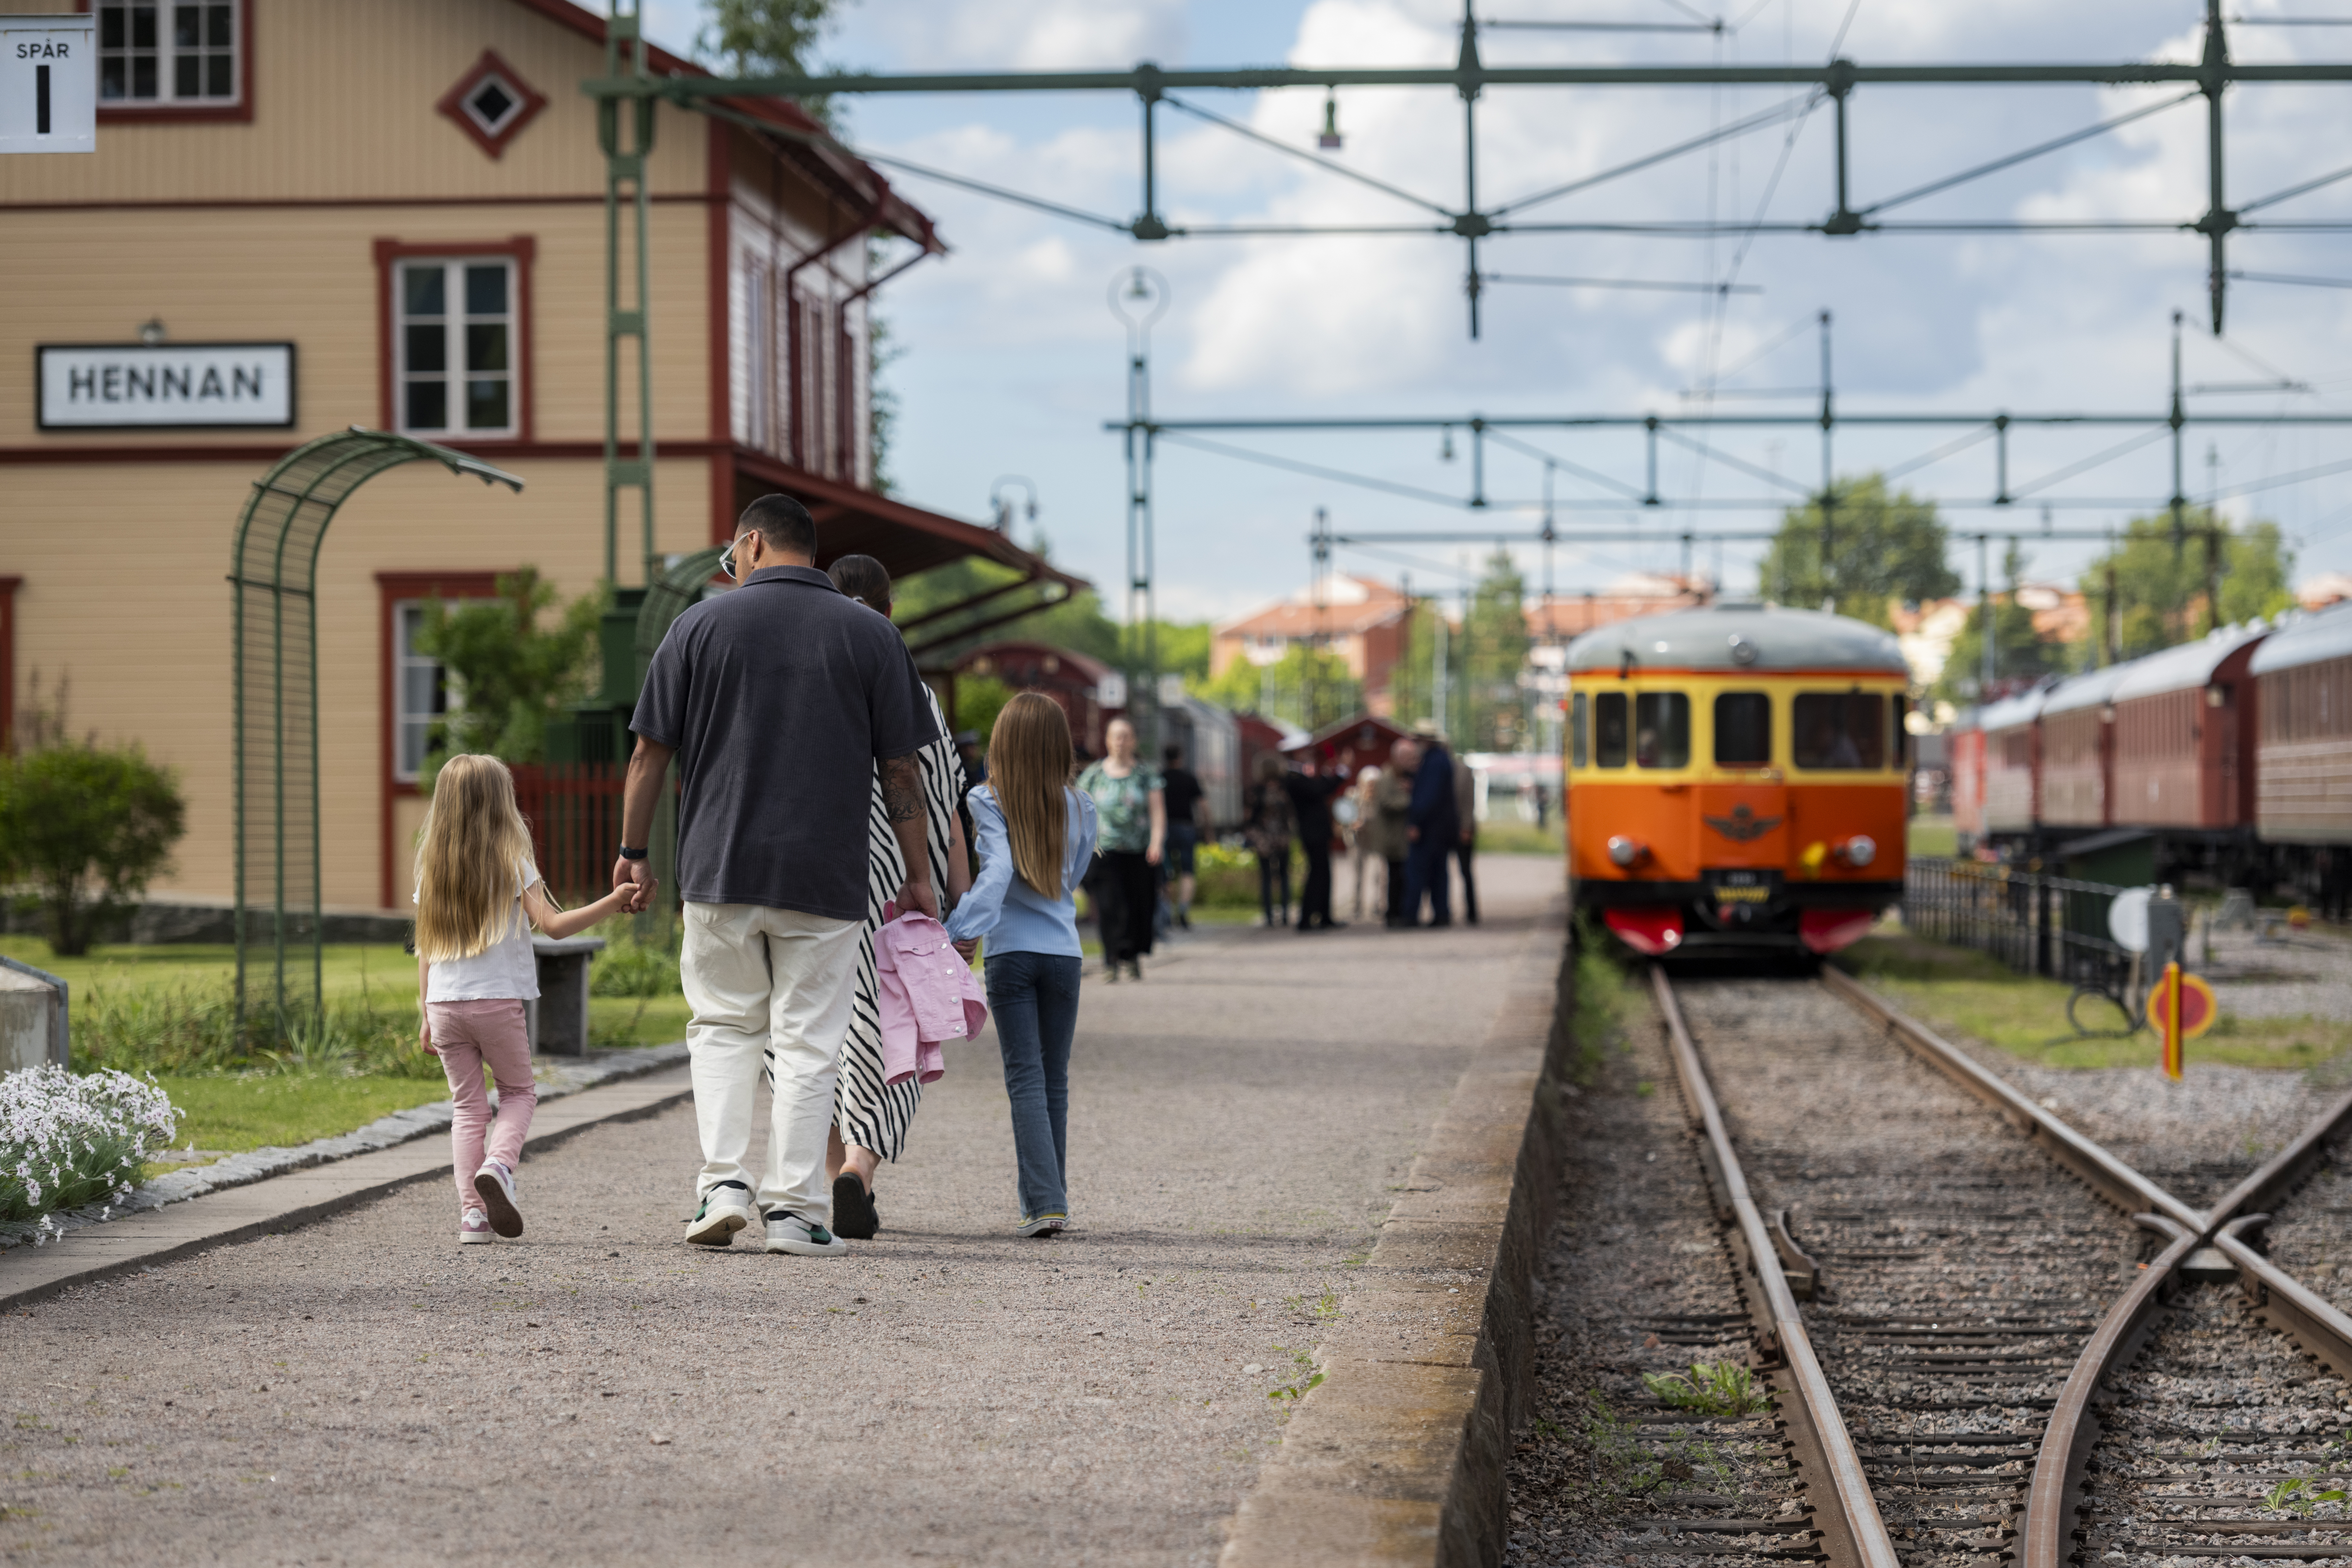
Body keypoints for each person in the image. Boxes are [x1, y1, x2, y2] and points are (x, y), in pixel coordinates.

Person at [618, 493, 940, 1258]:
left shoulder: (697, 626)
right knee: (808, 1042)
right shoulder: (871, 634)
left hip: (718, 867)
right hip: (825, 878)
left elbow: (648, 754)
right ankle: (793, 1211)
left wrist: (635, 854)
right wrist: (921, 873)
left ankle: (722, 1185)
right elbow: (902, 769)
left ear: (753, 545)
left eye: (733, 554)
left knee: (724, 1028)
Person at [413, 754, 636, 1245]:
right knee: (518, 1094)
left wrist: (424, 1012)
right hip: (496, 1003)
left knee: (468, 1109)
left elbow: (425, 946)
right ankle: (499, 1166)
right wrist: (615, 900)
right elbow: (553, 927)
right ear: (501, 804)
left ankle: (473, 1217)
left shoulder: (432, 865)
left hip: (445, 1007)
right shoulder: (511, 861)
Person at [819, 555, 973, 1243]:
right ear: (890, 613)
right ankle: (858, 1171)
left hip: (813, 883)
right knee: (892, 1033)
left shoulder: (812, 687)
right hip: (900, 894)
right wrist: (958, 895)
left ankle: (833, 1186)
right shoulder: (917, 693)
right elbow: (943, 803)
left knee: (811, 1033)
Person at [945, 693, 1099, 1237]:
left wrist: (959, 929)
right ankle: (1051, 1196)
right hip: (1064, 952)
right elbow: (1072, 879)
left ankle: (1043, 1202)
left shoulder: (986, 799)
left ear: (1002, 744)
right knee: (1053, 1077)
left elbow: (998, 873)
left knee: (1026, 1078)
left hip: (1011, 952)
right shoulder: (1083, 806)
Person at [1076, 718, 1163, 981]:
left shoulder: (1146, 775)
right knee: (1109, 905)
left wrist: (1156, 842)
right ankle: (1111, 959)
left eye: (1126, 736)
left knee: (1138, 904)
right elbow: (1080, 811)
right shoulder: (1093, 775)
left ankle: (1133, 957)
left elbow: (1157, 813)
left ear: (1134, 741)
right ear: (1107, 740)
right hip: (1104, 851)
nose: (1120, 742)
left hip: (1138, 850)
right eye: (1116, 736)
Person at [1283, 752, 1348, 932]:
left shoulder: (1300, 777)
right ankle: (1307, 918)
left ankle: (1324, 916)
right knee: (1317, 875)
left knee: (1323, 874)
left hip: (1318, 833)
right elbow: (1319, 789)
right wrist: (1341, 773)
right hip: (1313, 834)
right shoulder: (1295, 778)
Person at [1404, 730, 1460, 928]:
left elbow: (1427, 797)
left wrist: (1416, 822)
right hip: (1441, 828)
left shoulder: (1432, 763)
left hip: (1429, 829)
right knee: (1438, 872)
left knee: (1418, 872)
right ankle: (1441, 913)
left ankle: (1411, 914)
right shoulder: (1441, 760)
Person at [1243, 753, 1296, 927]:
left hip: (1263, 838)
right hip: (1282, 836)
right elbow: (1291, 813)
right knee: (1284, 876)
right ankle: (1286, 914)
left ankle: (1268, 915)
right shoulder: (1285, 789)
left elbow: (1250, 817)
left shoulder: (1257, 791)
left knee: (1266, 876)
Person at [1159, 744, 1208, 930]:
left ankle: (1167, 913)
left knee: (1166, 872)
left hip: (1165, 828)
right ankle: (1183, 910)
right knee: (1188, 871)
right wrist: (1207, 828)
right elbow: (1203, 805)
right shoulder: (1190, 778)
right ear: (1181, 756)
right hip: (1187, 827)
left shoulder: (1160, 779)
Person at [1378, 741, 1419, 928]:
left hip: (1401, 837)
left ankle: (1400, 911)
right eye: (1408, 758)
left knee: (1402, 877)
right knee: (1396, 877)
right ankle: (1393, 914)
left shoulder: (1404, 776)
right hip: (1393, 837)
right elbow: (1386, 802)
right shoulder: (1387, 777)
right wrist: (1409, 799)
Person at [1347, 763, 1386, 921]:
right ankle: (1357, 906)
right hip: (1358, 840)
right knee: (1358, 874)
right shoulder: (1353, 796)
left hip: (1376, 840)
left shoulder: (1381, 799)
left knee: (1378, 874)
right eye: (1369, 784)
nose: (1371, 787)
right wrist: (1353, 824)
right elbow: (1345, 815)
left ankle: (1378, 905)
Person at [1452, 748, 1480, 928]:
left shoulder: (1464, 771)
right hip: (1445, 829)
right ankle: (1443, 912)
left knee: (1466, 872)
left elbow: (1470, 802)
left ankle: (1472, 911)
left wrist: (1467, 827)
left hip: (1462, 827)